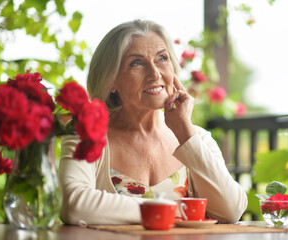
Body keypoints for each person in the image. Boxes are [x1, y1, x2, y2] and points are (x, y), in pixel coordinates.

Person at [58, 19, 247, 225]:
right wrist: (168, 210)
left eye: (162, 59)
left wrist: (185, 132)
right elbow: (73, 203)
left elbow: (231, 210)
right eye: (137, 63)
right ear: (111, 81)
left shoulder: (196, 138)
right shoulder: (87, 135)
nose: (155, 73)